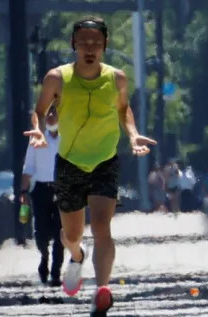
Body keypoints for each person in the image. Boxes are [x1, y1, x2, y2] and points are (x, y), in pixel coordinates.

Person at [24, 16, 156, 316]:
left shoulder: (117, 78)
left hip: (105, 162)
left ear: (105, 46)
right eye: (83, 41)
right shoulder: (57, 78)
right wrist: (38, 129)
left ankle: (102, 289)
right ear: (73, 44)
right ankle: (77, 256)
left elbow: (124, 110)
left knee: (101, 226)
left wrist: (133, 135)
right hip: (70, 164)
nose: (90, 47)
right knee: (70, 235)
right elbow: (40, 111)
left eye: (96, 42)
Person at [21, 106, 64, 287]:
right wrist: (23, 192)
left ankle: (55, 272)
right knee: (41, 233)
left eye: (55, 113)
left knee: (60, 233)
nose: (52, 116)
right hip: (41, 190)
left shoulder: (68, 139)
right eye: (49, 113)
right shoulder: (37, 138)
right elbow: (28, 167)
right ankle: (44, 257)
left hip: (62, 190)